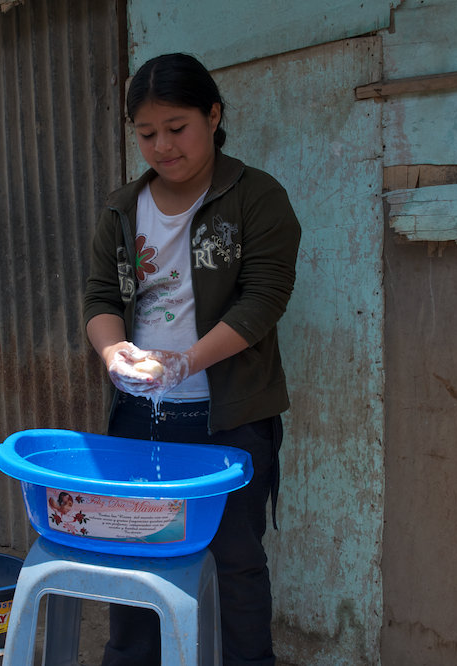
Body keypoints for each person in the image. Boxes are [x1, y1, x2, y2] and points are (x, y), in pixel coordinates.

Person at [82, 52, 301, 666]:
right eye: (147, 134)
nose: (162, 146)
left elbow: (264, 300)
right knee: (132, 553)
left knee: (235, 564)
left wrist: (185, 363)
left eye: (177, 128)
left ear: (213, 115)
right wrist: (113, 350)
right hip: (139, 415)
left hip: (229, 416)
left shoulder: (256, 197)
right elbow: (101, 298)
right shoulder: (122, 210)